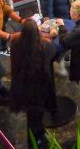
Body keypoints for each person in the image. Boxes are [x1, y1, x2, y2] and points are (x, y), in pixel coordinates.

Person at [9, 19, 56, 147]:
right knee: (36, 115)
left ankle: (37, 136)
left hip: (22, 88)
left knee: (31, 115)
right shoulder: (43, 47)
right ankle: (35, 140)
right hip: (39, 90)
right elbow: (53, 51)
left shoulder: (15, 44)